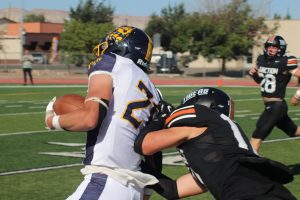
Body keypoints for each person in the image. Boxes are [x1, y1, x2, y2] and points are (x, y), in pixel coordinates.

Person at [45, 26, 162, 200]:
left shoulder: (111, 61)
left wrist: (51, 120)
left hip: (106, 181)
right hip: (134, 189)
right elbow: (154, 156)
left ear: (121, 45)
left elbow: (90, 118)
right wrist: (145, 194)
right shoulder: (155, 93)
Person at [134, 87, 296, 200]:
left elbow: (144, 145)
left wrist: (161, 116)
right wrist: (140, 167)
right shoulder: (216, 152)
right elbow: (173, 190)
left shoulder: (202, 117)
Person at [248, 35, 300, 152]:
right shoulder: (261, 59)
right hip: (271, 106)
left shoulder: (285, 61)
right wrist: (255, 74)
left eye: (274, 47)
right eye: (269, 46)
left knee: (256, 137)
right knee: (294, 131)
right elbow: (261, 82)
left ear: (280, 49)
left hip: (276, 106)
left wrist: (298, 95)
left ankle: (249, 167)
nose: (271, 49)